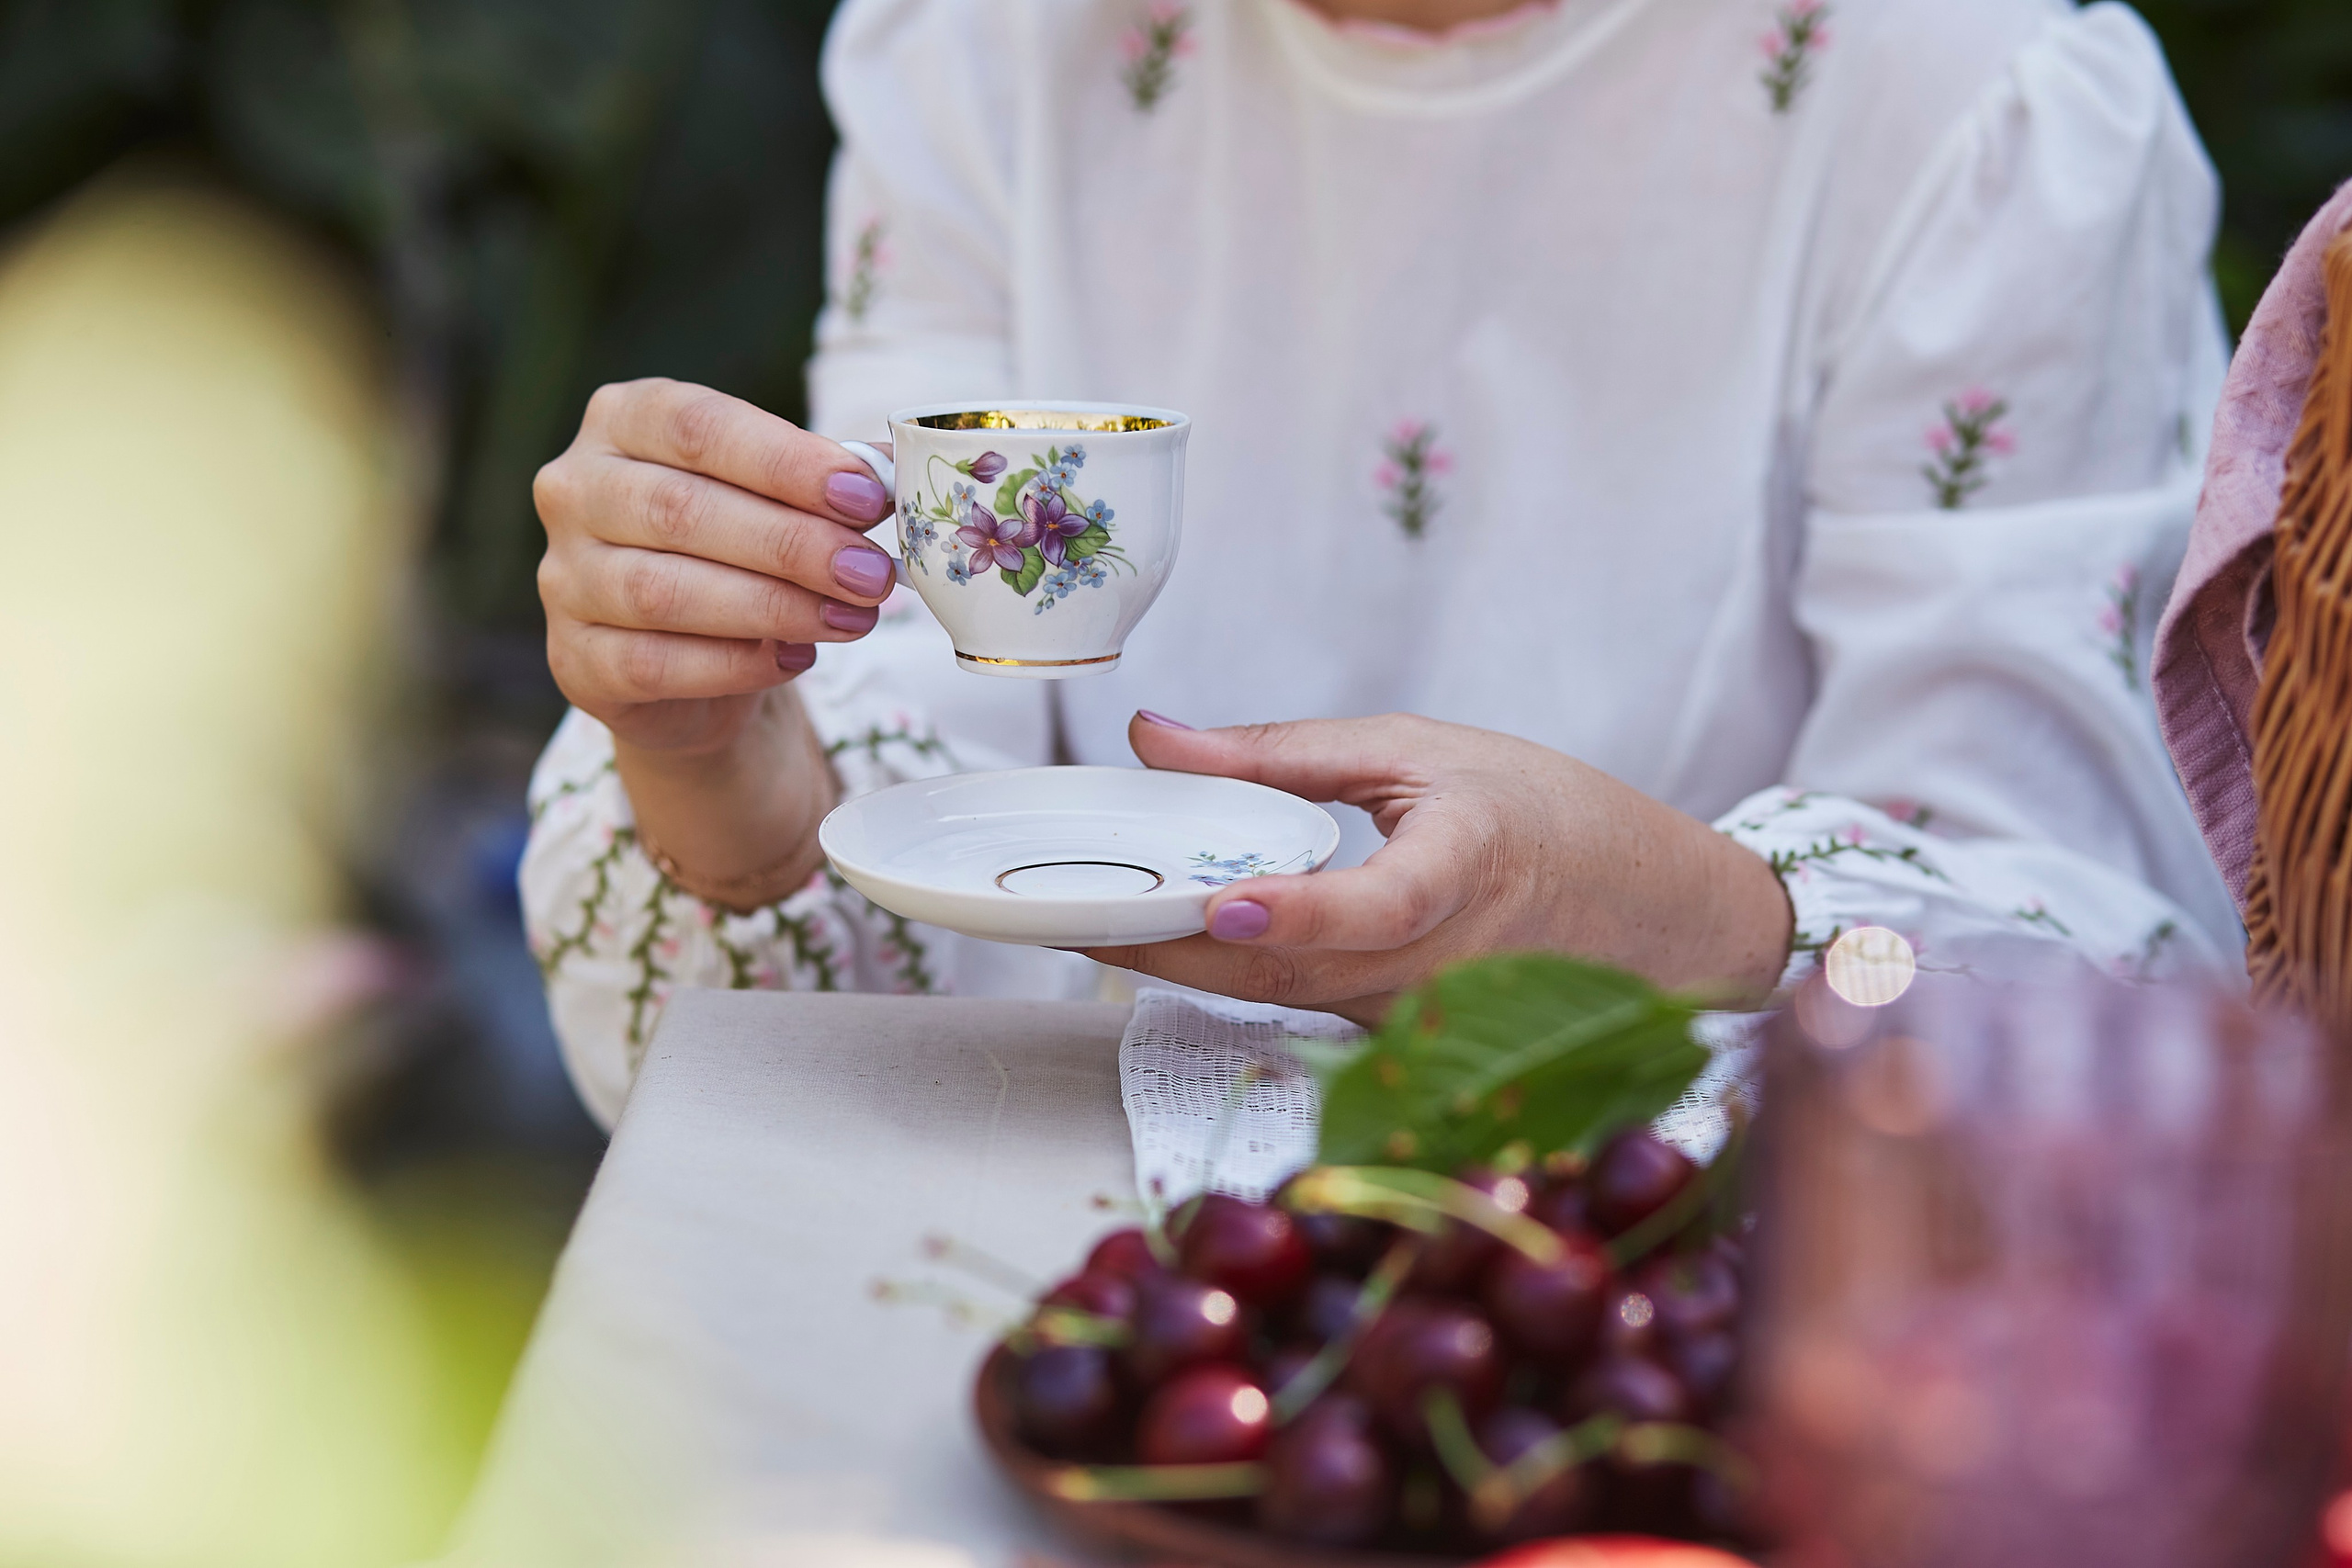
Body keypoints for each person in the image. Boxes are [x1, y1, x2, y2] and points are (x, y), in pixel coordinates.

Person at [524, 0, 2238, 1128]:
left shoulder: (1973, 106)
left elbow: (2111, 978)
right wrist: (730, 772)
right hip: (1048, 1258)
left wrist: (1697, 918)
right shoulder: (997, 49)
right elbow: (889, 867)